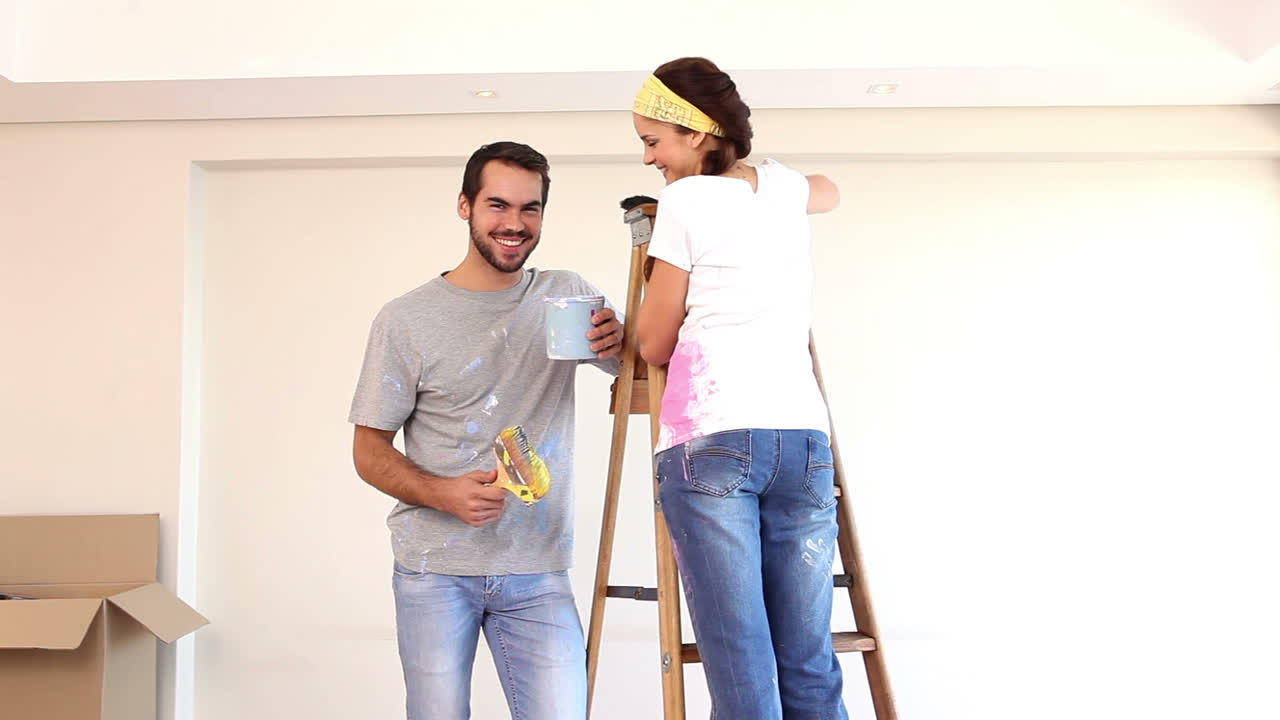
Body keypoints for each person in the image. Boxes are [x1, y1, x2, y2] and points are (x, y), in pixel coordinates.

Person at [348, 140, 623, 720]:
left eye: (530, 209)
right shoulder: (406, 319)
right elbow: (369, 451)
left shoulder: (564, 296)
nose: (515, 224)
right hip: (434, 569)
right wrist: (442, 492)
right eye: (497, 206)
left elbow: (642, 375)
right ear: (464, 206)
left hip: (539, 567)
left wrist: (623, 343)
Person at [633, 58, 848, 719]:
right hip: (803, 442)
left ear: (698, 132)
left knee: (742, 661)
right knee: (808, 657)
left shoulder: (684, 200)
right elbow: (830, 189)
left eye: (653, 140)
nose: (649, 159)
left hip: (715, 440)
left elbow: (654, 342)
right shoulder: (782, 186)